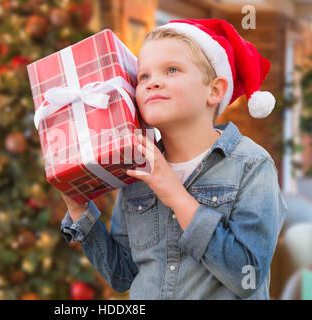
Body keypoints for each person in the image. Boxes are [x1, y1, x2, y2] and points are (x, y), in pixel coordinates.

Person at [59, 19, 288, 299]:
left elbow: (247, 277)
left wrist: (176, 196)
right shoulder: (136, 168)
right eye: (143, 77)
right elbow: (122, 275)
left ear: (214, 91)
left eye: (172, 70)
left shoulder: (251, 165)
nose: (153, 82)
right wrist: (80, 210)